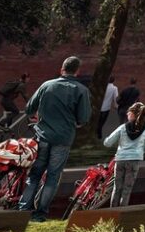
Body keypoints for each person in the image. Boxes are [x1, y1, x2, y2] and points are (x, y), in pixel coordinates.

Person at [20, 55, 92, 221]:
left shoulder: (47, 85)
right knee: (52, 177)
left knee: (34, 175)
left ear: (62, 68)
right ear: (78, 72)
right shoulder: (81, 90)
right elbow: (83, 118)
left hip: (42, 136)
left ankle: (23, 209)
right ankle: (40, 214)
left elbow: (29, 108)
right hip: (63, 139)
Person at [102, 100, 145, 207]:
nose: (127, 114)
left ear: (132, 114)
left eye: (128, 112)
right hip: (134, 161)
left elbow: (107, 143)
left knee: (117, 188)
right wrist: (139, 151)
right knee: (127, 189)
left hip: (120, 160)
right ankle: (122, 214)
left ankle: (112, 213)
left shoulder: (122, 127)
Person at [95, 74, 119, 141]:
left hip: (98, 107)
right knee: (102, 121)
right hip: (106, 107)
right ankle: (99, 132)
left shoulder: (102, 87)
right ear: (113, 81)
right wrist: (116, 106)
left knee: (97, 121)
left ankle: (97, 131)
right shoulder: (114, 88)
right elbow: (115, 98)